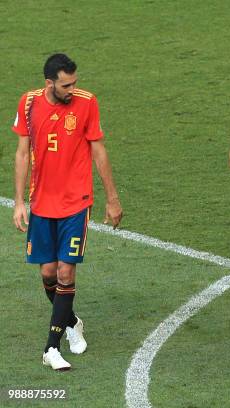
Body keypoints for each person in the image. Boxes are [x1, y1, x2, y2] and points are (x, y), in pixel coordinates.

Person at [12, 53, 123, 371]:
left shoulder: (87, 103)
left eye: (75, 82)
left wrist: (112, 198)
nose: (73, 89)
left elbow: (99, 151)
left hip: (76, 202)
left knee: (65, 272)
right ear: (50, 83)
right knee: (48, 273)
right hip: (42, 204)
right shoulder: (29, 104)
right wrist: (19, 202)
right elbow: (22, 154)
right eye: (66, 84)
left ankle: (51, 346)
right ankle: (71, 320)